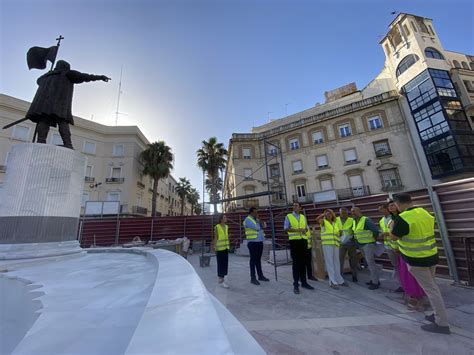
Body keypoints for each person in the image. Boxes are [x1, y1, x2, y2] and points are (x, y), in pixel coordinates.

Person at [391, 193, 450, 334]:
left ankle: (442, 323)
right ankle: (436, 314)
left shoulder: (403, 218)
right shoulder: (424, 212)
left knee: (431, 290)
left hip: (416, 259)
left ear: (398, 204)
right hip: (431, 255)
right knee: (433, 287)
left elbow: (393, 237)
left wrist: (392, 226)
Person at [26, 60, 110, 149]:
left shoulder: (46, 76)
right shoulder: (67, 73)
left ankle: (41, 141)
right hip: (60, 103)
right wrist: (100, 77)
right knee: (62, 121)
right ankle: (68, 144)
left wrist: (50, 74)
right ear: (65, 67)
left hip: (44, 103)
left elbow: (38, 81)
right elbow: (84, 77)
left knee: (44, 120)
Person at [388, 201, 426, 311]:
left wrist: (391, 229)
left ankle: (416, 298)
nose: (391, 207)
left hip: (409, 251)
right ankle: (412, 294)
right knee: (405, 273)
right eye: (389, 206)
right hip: (401, 250)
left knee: (411, 275)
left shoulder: (402, 218)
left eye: (393, 205)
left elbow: (394, 236)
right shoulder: (394, 218)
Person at [284, 202, 315, 294]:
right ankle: (296, 284)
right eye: (293, 206)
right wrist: (298, 230)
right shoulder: (288, 216)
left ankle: (304, 282)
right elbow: (286, 228)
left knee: (304, 262)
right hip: (294, 241)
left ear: (300, 208)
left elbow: (305, 228)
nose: (294, 207)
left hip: (303, 241)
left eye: (296, 206)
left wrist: (305, 230)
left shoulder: (303, 217)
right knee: (296, 263)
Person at [351, 207, 382, 290]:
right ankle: (373, 279)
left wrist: (373, 240)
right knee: (369, 263)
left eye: (354, 211)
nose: (352, 213)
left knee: (371, 263)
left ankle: (375, 282)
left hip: (368, 244)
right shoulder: (354, 221)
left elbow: (375, 231)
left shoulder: (366, 220)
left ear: (359, 211)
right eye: (351, 212)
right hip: (361, 245)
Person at [316, 209, 346, 289]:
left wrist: (340, 233)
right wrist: (323, 214)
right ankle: (332, 281)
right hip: (327, 245)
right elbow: (317, 219)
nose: (328, 215)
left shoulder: (335, 223)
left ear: (333, 215)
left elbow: (338, 233)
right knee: (330, 263)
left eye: (330, 214)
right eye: (327, 214)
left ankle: (339, 280)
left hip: (335, 244)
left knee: (337, 262)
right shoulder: (323, 222)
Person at [378, 203, 402, 292]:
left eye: (381, 209)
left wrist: (387, 234)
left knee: (402, 266)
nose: (380, 211)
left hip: (397, 246)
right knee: (396, 265)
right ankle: (401, 284)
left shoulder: (394, 218)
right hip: (388, 245)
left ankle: (405, 284)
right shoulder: (381, 220)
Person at [243, 207, 270, 285]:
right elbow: (257, 228)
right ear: (251, 212)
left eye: (257, 212)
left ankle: (260, 276)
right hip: (253, 242)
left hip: (260, 241)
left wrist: (260, 221)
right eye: (255, 212)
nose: (256, 214)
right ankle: (253, 278)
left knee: (258, 260)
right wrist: (260, 223)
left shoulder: (257, 219)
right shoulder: (247, 220)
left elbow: (265, 226)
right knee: (253, 260)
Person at [336, 207, 358, 283]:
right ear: (340, 213)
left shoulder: (352, 220)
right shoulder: (336, 219)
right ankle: (340, 276)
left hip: (351, 242)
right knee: (340, 260)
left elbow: (355, 230)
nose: (343, 214)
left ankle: (354, 275)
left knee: (353, 259)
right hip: (340, 243)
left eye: (345, 213)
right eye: (342, 213)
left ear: (347, 213)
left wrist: (353, 238)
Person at [212, 214, 230, 288]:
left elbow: (226, 236)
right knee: (220, 264)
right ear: (221, 219)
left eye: (226, 217)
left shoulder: (226, 226)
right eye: (224, 217)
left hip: (226, 247)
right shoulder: (217, 227)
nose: (226, 218)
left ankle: (224, 277)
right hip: (219, 248)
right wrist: (214, 246)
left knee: (225, 264)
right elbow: (216, 237)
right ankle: (221, 279)